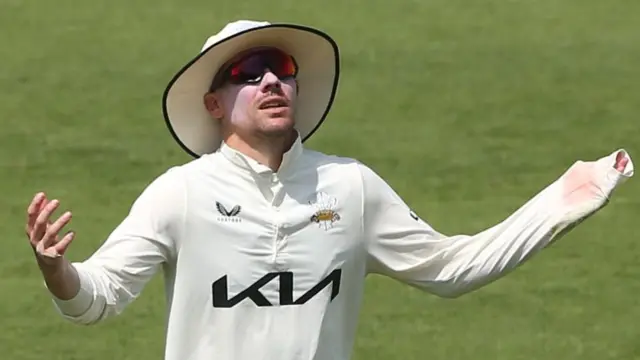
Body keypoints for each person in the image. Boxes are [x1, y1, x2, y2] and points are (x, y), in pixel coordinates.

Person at [25, 19, 633, 360]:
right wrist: (58, 271)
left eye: (282, 70)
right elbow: (96, 301)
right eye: (245, 72)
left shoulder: (350, 188)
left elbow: (453, 268)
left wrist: (568, 197)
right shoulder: (179, 194)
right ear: (214, 103)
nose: (269, 80)